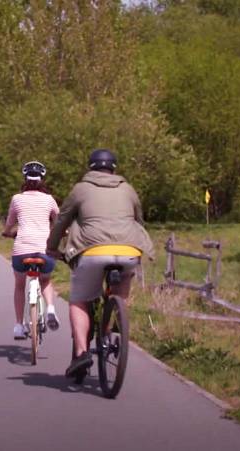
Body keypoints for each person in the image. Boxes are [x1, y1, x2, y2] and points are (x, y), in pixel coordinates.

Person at [46, 149, 154, 377]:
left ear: (90, 168)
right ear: (114, 168)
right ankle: (114, 316)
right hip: (129, 250)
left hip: (92, 251)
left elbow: (61, 221)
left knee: (78, 300)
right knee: (122, 285)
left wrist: (52, 247)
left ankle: (83, 352)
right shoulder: (128, 188)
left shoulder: (81, 189)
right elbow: (140, 220)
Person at [1, 161, 61, 339]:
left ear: (24, 178)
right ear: (42, 178)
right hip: (44, 251)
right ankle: (50, 309)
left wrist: (6, 232)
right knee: (45, 281)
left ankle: (19, 326)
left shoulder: (17, 199)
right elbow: (59, 222)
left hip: (22, 251)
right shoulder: (49, 199)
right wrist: (61, 233)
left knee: (20, 286)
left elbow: (9, 224)